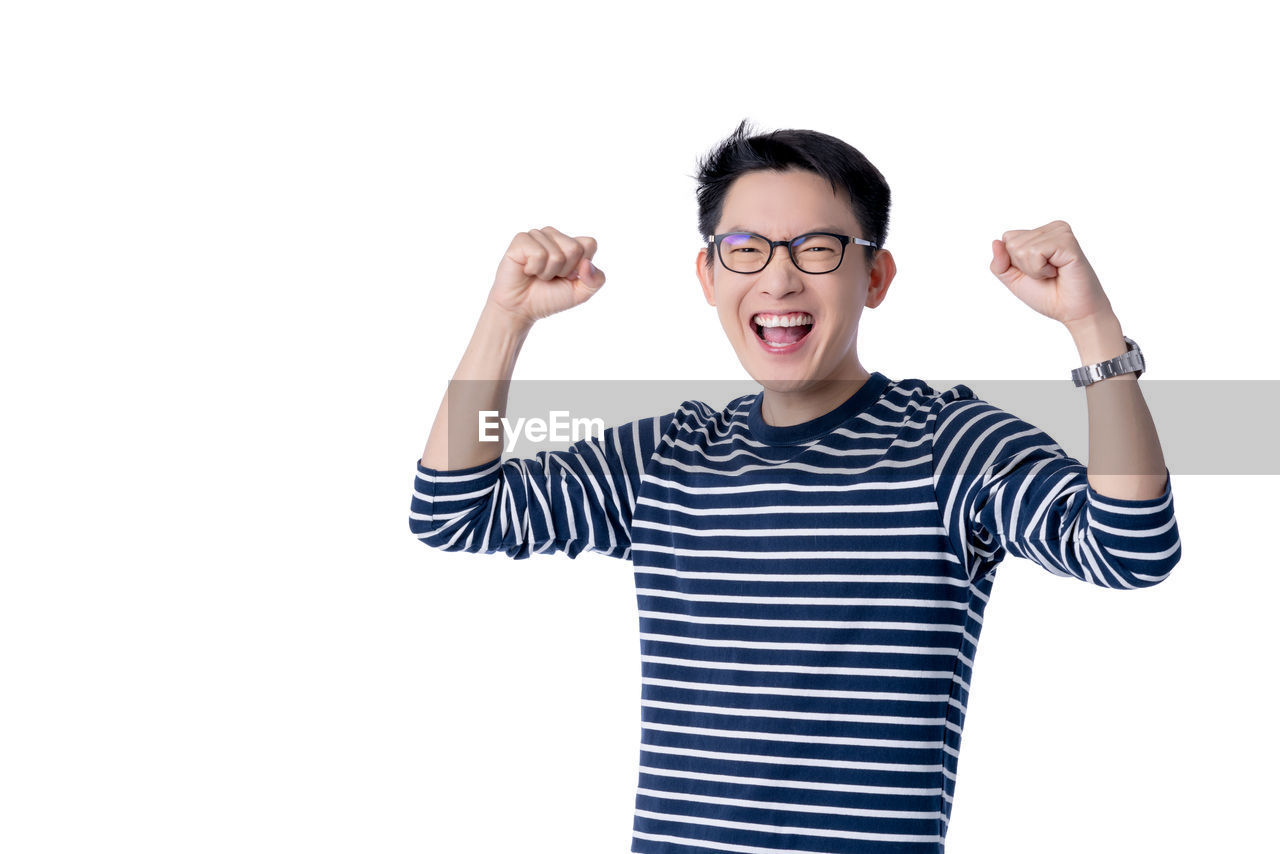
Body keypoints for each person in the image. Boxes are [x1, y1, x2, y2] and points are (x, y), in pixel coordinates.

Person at [408, 119, 1180, 854]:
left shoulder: (949, 445)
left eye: (816, 248)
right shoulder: (665, 458)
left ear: (874, 276)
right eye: (745, 248)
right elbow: (453, 509)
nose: (778, 277)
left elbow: (1130, 547)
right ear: (709, 275)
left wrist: (1093, 330)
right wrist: (505, 319)